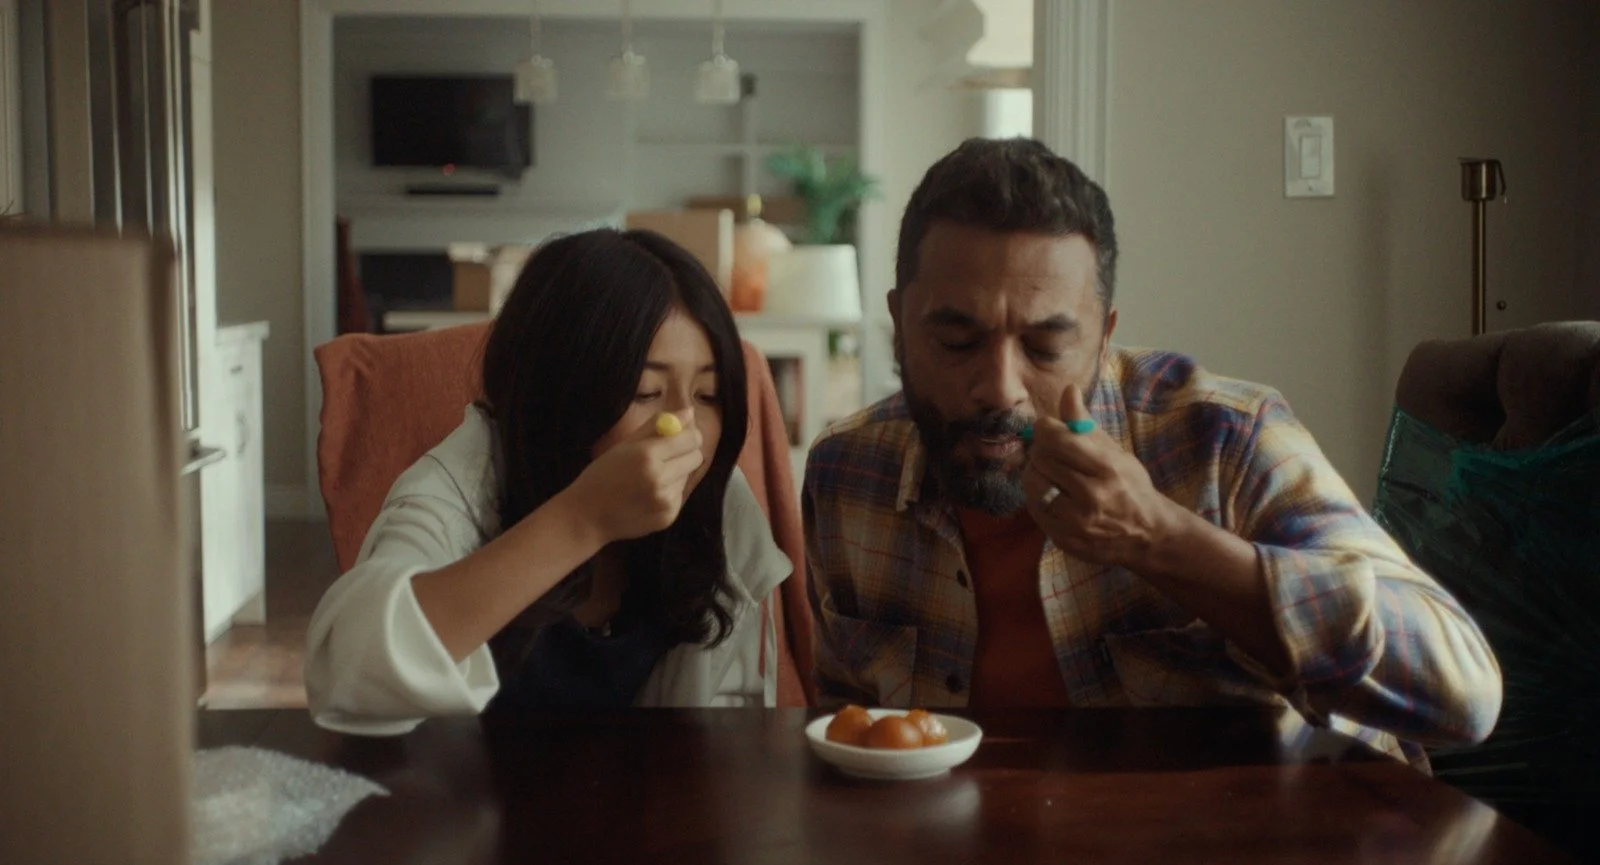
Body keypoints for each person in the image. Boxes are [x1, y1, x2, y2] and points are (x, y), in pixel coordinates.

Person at [804, 138, 1502, 767]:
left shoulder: (1228, 439)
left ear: (1104, 336)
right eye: (957, 340)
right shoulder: (848, 473)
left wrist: (1162, 538)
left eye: (1046, 347)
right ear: (898, 323)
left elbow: (1465, 693)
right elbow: (850, 735)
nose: (1001, 387)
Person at [306, 228, 792, 735]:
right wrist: (582, 519)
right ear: (558, 390)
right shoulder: (463, 486)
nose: (684, 426)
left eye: (708, 395)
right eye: (646, 391)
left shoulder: (716, 501)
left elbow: (730, 727)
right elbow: (347, 678)